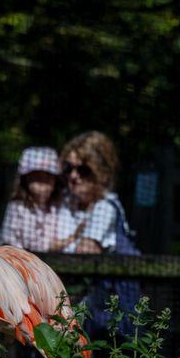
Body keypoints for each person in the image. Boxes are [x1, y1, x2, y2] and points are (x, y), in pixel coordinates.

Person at [55, 131, 141, 338]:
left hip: (105, 313)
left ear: (101, 172)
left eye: (83, 170)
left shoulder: (105, 207)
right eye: (69, 168)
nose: (73, 177)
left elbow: (83, 254)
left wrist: (62, 244)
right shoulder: (66, 203)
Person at [0, 146, 71, 252]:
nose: (42, 182)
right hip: (18, 260)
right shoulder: (17, 207)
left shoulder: (58, 206)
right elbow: (8, 243)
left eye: (47, 177)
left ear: (55, 180)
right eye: (37, 176)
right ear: (26, 178)